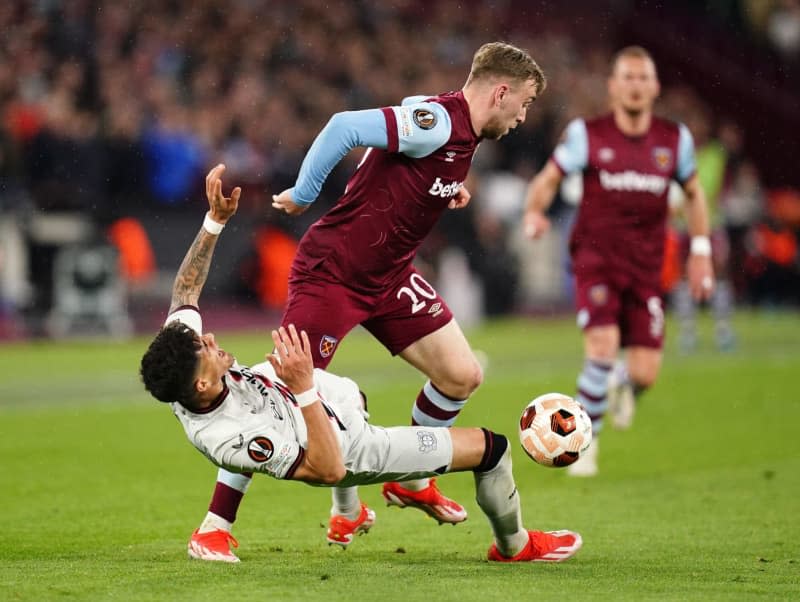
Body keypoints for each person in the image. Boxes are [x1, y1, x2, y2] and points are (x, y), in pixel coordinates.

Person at [192, 41, 548, 554]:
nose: (524, 116)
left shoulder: (450, 124)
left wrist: (446, 189)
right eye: (525, 103)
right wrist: (305, 191)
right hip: (333, 273)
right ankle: (214, 527)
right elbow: (344, 127)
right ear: (501, 92)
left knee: (461, 374)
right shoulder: (441, 123)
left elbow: (407, 119)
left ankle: (411, 479)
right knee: (278, 390)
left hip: (388, 277)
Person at [139, 164, 582, 565]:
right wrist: (305, 386)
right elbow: (329, 467)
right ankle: (514, 545)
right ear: (200, 386)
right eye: (205, 349)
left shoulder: (184, 369)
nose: (212, 339)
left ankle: (345, 514)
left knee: (351, 392)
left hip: (288, 398)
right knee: (493, 450)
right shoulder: (234, 437)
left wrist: (214, 221)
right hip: (351, 449)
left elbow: (185, 292)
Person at [522, 46, 714, 477]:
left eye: (642, 77)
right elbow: (549, 178)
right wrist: (534, 212)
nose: (634, 85)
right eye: (626, 77)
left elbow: (696, 195)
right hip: (596, 260)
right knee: (602, 348)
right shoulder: (587, 135)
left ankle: (623, 384)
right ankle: (583, 444)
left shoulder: (674, 140)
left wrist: (701, 253)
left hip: (647, 268)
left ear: (655, 87)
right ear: (612, 86)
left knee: (646, 373)